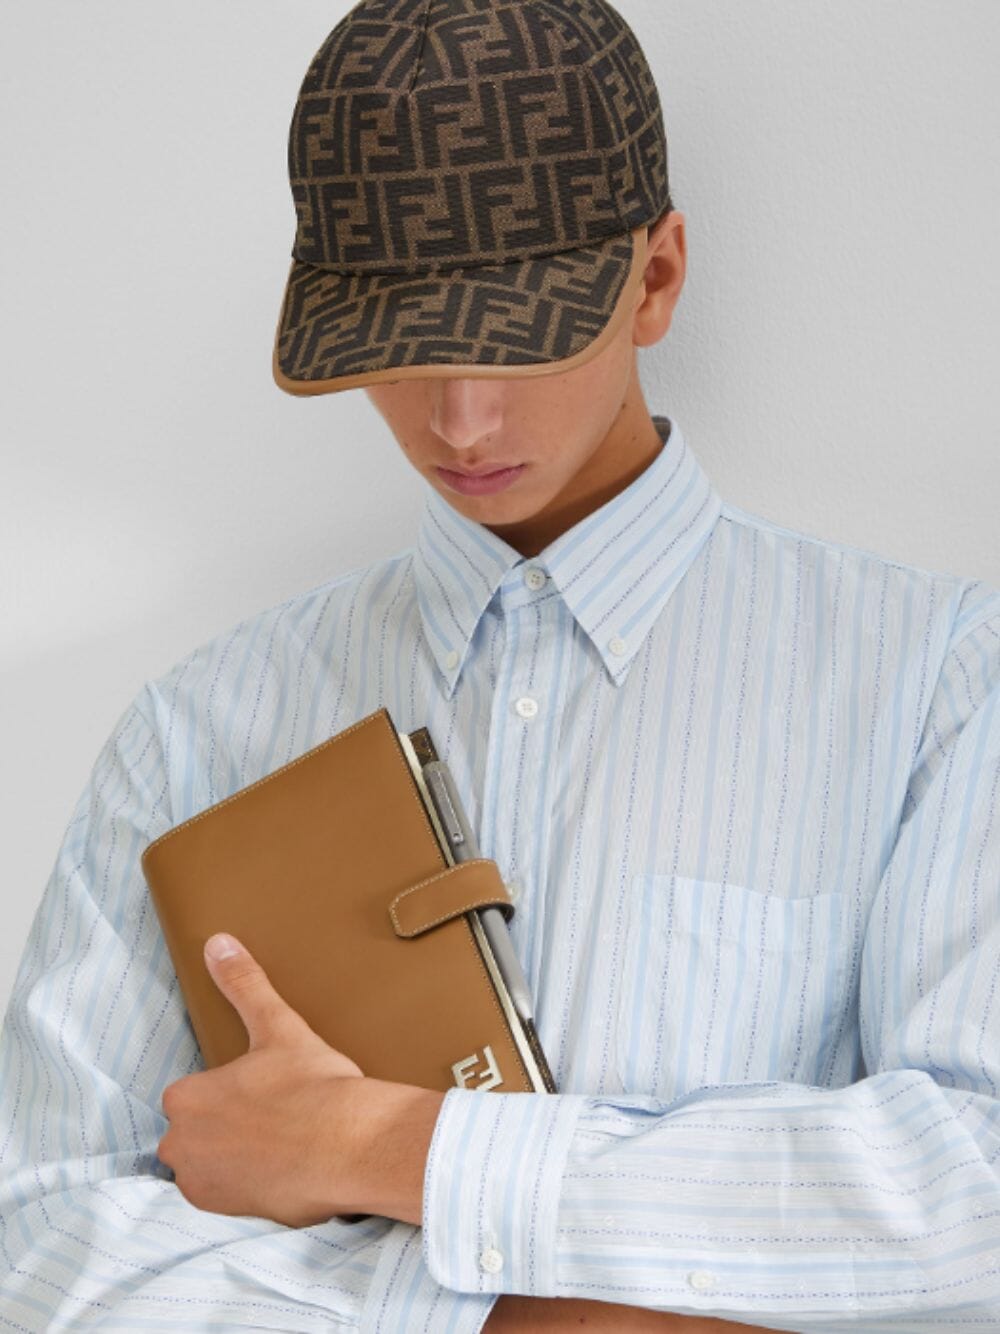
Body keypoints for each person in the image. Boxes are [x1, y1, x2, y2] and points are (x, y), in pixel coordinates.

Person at [2, 0, 999, 1330]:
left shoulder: (935, 681)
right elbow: (44, 1240)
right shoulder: (196, 730)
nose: (459, 421)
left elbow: (974, 1178)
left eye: (518, 340)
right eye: (400, 347)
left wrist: (379, 1146)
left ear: (656, 278)